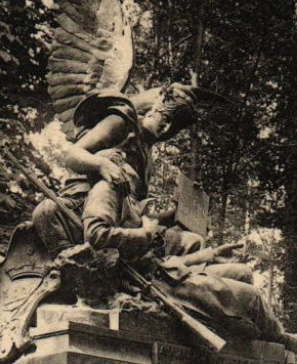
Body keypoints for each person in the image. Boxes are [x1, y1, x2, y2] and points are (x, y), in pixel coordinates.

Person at [81, 163, 297, 353]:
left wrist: (210, 253)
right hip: (150, 281)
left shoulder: (125, 197)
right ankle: (280, 339)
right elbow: (96, 234)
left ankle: (252, 338)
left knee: (242, 273)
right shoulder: (106, 191)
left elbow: (161, 250)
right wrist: (146, 233)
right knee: (251, 297)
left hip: (166, 269)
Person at [32, 85, 203, 257]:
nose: (166, 130)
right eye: (166, 119)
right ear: (153, 110)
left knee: (191, 242)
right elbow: (71, 155)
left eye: (174, 129)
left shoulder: (147, 153)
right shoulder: (123, 122)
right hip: (87, 200)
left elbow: (136, 206)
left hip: (122, 215)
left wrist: (177, 214)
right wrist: (102, 165)